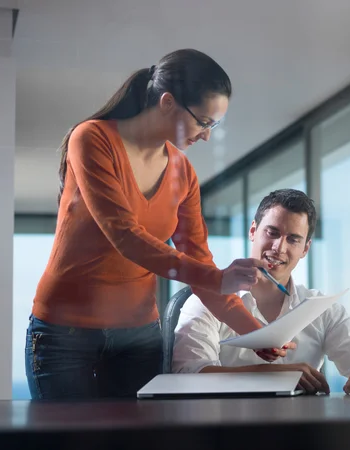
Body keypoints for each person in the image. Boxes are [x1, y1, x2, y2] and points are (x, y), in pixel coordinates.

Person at [25, 49, 291, 400]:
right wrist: (218, 278)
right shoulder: (92, 138)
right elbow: (125, 236)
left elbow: (200, 266)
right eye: (204, 122)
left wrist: (258, 335)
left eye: (215, 125)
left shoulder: (184, 173)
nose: (208, 136)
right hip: (64, 333)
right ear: (167, 103)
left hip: (139, 336)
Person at [173, 189, 350, 394]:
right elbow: (189, 375)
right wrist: (272, 374)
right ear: (253, 231)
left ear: (305, 249)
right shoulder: (205, 301)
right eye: (272, 233)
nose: (279, 247)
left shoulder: (322, 309)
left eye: (293, 239)